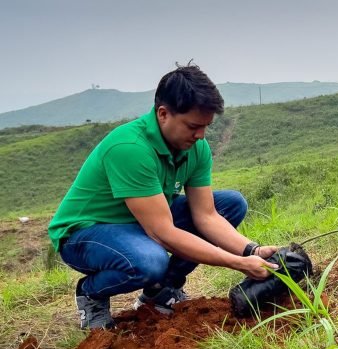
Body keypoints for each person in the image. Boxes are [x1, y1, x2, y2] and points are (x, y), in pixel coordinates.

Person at [48, 64, 279, 329]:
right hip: (86, 233)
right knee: (149, 261)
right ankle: (92, 292)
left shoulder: (196, 148)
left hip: (141, 224)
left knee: (230, 204)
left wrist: (252, 250)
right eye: (193, 126)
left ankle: (159, 291)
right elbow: (162, 233)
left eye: (206, 127)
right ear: (163, 114)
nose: (201, 135)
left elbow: (207, 215)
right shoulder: (130, 148)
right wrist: (237, 263)